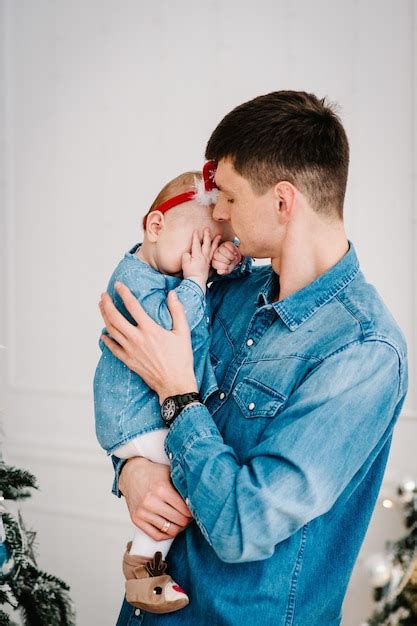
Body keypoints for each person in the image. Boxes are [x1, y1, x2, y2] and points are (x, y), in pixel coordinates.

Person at [99, 91, 408, 625]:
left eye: (231, 197)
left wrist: (178, 393)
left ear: (283, 202)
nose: (216, 211)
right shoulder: (226, 290)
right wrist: (131, 468)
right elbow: (129, 384)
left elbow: (245, 524)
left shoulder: (364, 353)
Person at [94, 170, 249, 614]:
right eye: (198, 242)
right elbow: (169, 325)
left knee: (171, 493)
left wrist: (229, 264)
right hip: (136, 418)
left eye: (217, 243)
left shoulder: (169, 271)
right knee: (191, 472)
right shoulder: (131, 280)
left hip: (148, 416)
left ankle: (143, 567)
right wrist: (199, 279)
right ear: (155, 226)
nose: (198, 257)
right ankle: (143, 568)